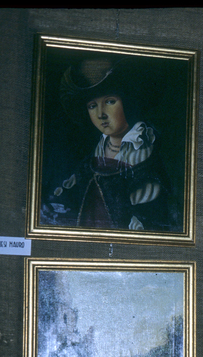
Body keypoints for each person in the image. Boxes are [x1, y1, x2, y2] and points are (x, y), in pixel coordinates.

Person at [43, 57, 175, 231]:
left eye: (110, 101)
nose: (101, 114)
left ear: (127, 101)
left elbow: (152, 220)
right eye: (92, 105)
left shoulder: (145, 157)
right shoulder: (92, 157)